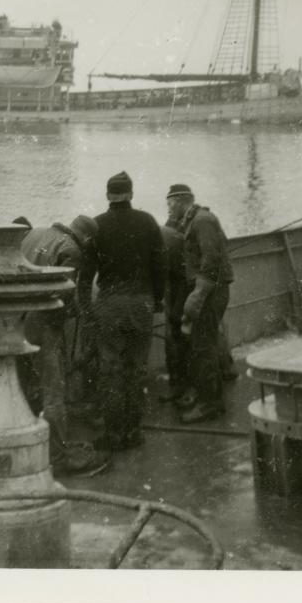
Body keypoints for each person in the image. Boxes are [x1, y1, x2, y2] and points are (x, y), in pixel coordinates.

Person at [17, 215, 109, 478]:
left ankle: (27, 447)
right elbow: (64, 295)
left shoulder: (33, 233)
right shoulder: (71, 250)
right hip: (43, 326)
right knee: (54, 392)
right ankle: (57, 458)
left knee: (24, 389)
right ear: (88, 239)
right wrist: (74, 314)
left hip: (15, 323)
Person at [84, 171, 165, 454]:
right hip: (142, 304)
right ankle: (134, 431)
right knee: (136, 369)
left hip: (109, 305)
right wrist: (159, 301)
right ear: (131, 194)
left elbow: (86, 273)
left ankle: (113, 435)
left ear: (108, 196)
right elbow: (159, 266)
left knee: (110, 371)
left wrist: (84, 306)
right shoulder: (148, 222)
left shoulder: (96, 226)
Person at [165, 184, 237, 424]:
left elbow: (212, 260)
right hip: (210, 290)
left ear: (180, 202)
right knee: (202, 345)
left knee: (202, 348)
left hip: (210, 292)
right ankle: (209, 398)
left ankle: (209, 405)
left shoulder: (201, 221)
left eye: (170, 203)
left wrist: (196, 297)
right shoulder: (196, 220)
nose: (168, 208)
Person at [158, 216, 189, 404]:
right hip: (175, 290)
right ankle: (180, 386)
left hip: (181, 292)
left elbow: (182, 278)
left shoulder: (166, 241)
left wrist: (176, 311)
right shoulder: (169, 236)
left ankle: (181, 387)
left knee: (177, 340)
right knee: (175, 340)